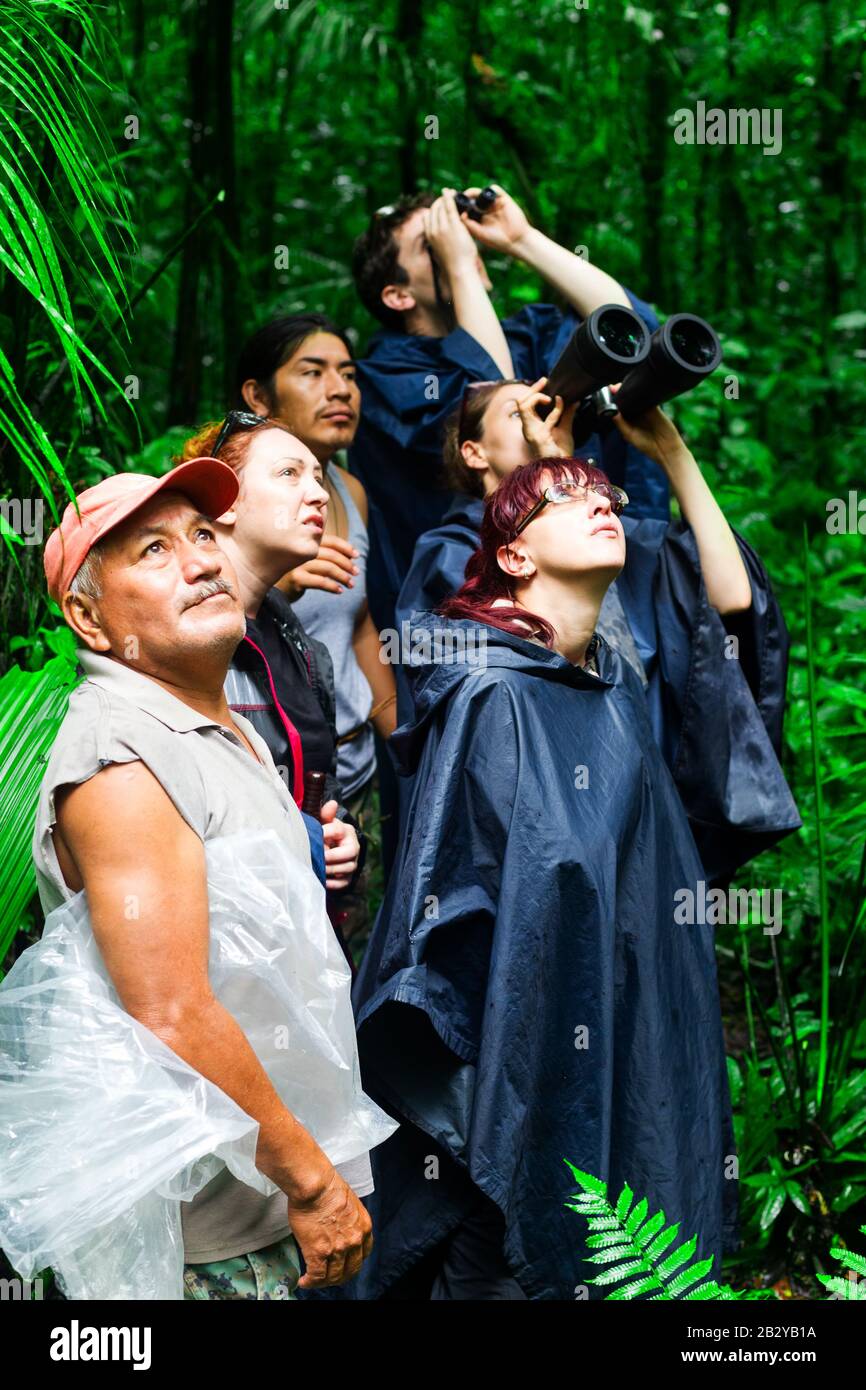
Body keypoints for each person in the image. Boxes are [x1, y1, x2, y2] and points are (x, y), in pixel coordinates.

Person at [347, 456, 757, 1300]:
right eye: (566, 499)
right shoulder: (489, 693)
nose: (602, 504)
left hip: (609, 1033)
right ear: (516, 557)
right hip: (509, 1079)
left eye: (606, 494)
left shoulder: (609, 689)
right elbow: (458, 920)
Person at [0, 460, 396, 1299]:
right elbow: (171, 1010)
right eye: (153, 550)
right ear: (89, 618)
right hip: (204, 1244)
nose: (203, 561)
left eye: (205, 536)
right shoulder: (123, 753)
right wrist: (315, 1185)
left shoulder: (210, 724)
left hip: (259, 1204)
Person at [397, 381, 801, 883]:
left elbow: (733, 597)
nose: (539, 419)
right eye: (518, 412)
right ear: (473, 451)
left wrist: (670, 450)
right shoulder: (452, 554)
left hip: (642, 811)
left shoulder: (601, 533)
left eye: (547, 407)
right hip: (556, 843)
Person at [349, 183, 669, 630]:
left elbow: (636, 333)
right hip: (478, 623)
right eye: (432, 244)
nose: (457, 243)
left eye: (456, 233)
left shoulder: (525, 333)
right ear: (397, 295)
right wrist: (459, 264)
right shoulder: (383, 376)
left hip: (611, 586)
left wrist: (522, 240)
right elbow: (498, 404)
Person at [234, 314, 399, 950]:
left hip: (353, 777)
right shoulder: (224, 499)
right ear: (257, 396)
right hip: (268, 780)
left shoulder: (350, 491)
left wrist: (402, 742)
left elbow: (359, 626)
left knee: (347, 960)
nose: (341, 389)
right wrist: (276, 580)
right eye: (313, 372)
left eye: (349, 375)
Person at [176, 412, 366, 961]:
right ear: (227, 500)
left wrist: (337, 837)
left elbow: (311, 786)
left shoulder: (294, 640)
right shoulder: (176, 631)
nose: (318, 494)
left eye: (316, 477)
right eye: (289, 474)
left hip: (296, 951)